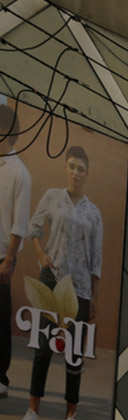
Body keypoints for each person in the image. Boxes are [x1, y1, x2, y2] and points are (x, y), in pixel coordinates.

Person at [15, 145, 102, 420]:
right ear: (66, 168)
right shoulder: (52, 197)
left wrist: (94, 297)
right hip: (50, 282)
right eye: (71, 166)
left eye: (81, 168)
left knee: (74, 356)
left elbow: (96, 257)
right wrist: (41, 256)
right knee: (43, 349)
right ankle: (33, 412)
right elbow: (33, 228)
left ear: (87, 174)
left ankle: (70, 418)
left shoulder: (94, 213)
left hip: (79, 290)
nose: (76, 172)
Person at [0, 104, 30, 400]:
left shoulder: (20, 173)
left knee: (0, 318)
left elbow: (20, 224)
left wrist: (9, 261)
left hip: (1, 257)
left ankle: (1, 378)